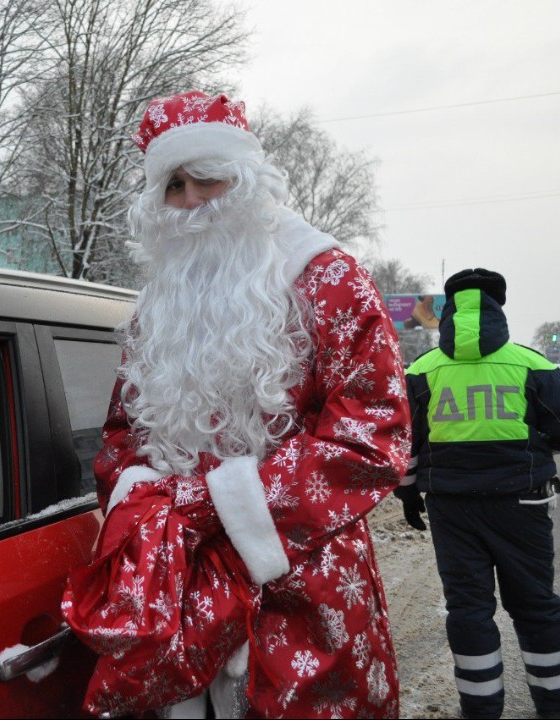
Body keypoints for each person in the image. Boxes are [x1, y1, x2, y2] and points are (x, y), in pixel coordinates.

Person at [62, 91, 411, 718]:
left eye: (208, 179)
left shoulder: (328, 279)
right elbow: (120, 436)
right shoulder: (154, 311)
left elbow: (373, 433)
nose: (192, 201)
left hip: (304, 582)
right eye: (173, 185)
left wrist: (217, 504)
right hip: (178, 583)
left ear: (246, 182)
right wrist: (149, 508)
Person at [394, 268, 560, 719]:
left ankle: (480, 710)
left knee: (468, 611)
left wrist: (407, 495)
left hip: (451, 511)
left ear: (448, 311)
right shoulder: (530, 364)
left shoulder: (420, 371)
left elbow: (402, 444)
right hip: (524, 504)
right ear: (497, 308)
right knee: (536, 606)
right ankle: (558, 707)